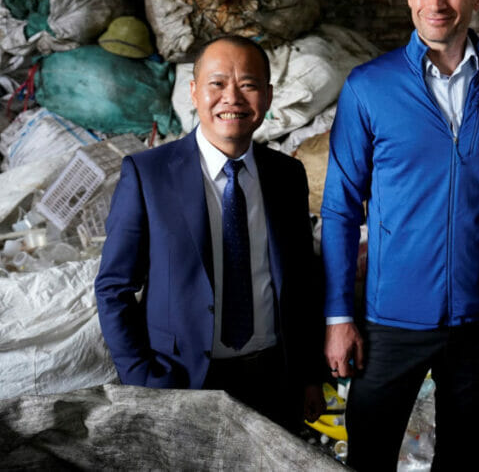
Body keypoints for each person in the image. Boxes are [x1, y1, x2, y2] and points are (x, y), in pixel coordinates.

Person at [321, 0, 479, 472]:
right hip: (392, 320)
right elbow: (341, 208)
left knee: (462, 459)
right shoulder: (370, 86)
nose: (437, 2)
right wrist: (339, 315)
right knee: (370, 454)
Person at [95, 35, 327, 431]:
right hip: (183, 382)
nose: (232, 98)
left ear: (268, 97)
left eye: (248, 85)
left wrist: (308, 376)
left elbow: (302, 281)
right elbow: (114, 288)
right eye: (217, 84)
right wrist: (143, 381)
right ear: (193, 92)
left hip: (274, 379)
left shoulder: (287, 175)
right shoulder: (149, 174)